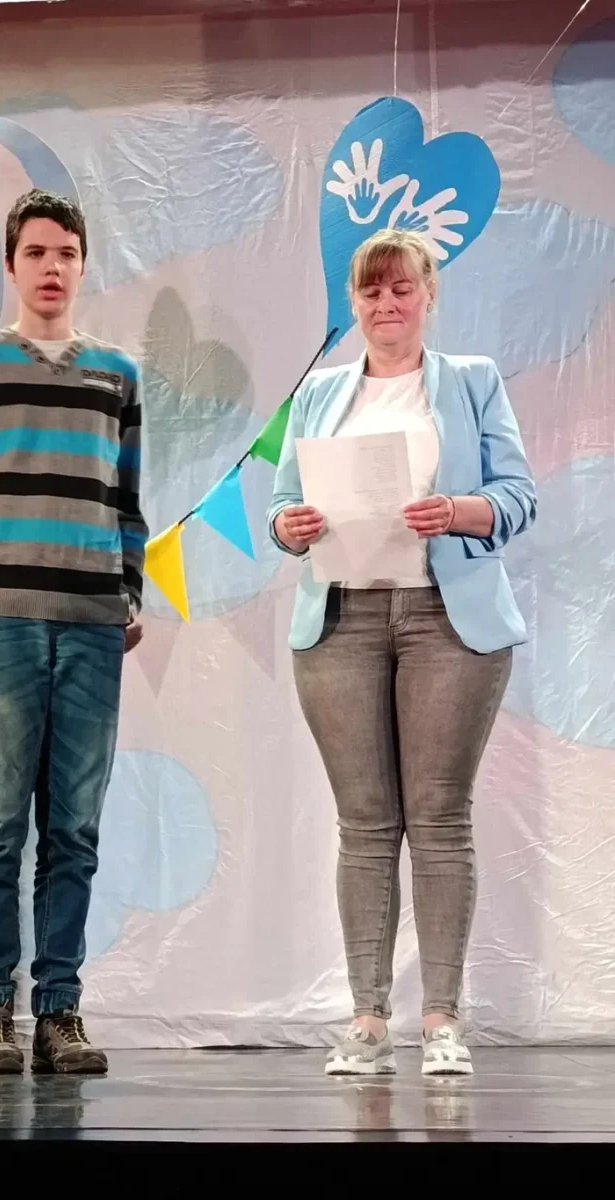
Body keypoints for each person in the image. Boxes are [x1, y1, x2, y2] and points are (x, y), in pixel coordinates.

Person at [268, 228, 536, 1077]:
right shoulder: (319, 393)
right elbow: (282, 504)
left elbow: (518, 497)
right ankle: (367, 1021)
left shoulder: (472, 380)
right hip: (341, 618)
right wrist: (288, 524)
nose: (386, 304)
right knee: (365, 822)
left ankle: (443, 1021)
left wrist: (456, 511)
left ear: (429, 295)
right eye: (371, 291)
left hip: (446, 620)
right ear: (354, 303)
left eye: (401, 288)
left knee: (440, 816)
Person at [0, 188, 148, 1075]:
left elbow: (127, 501)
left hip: (92, 627)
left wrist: (128, 593)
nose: (52, 267)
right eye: (36, 253)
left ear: (84, 265)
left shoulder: (117, 375)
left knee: (74, 834)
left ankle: (59, 1013)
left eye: (67, 254)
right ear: (11, 265)